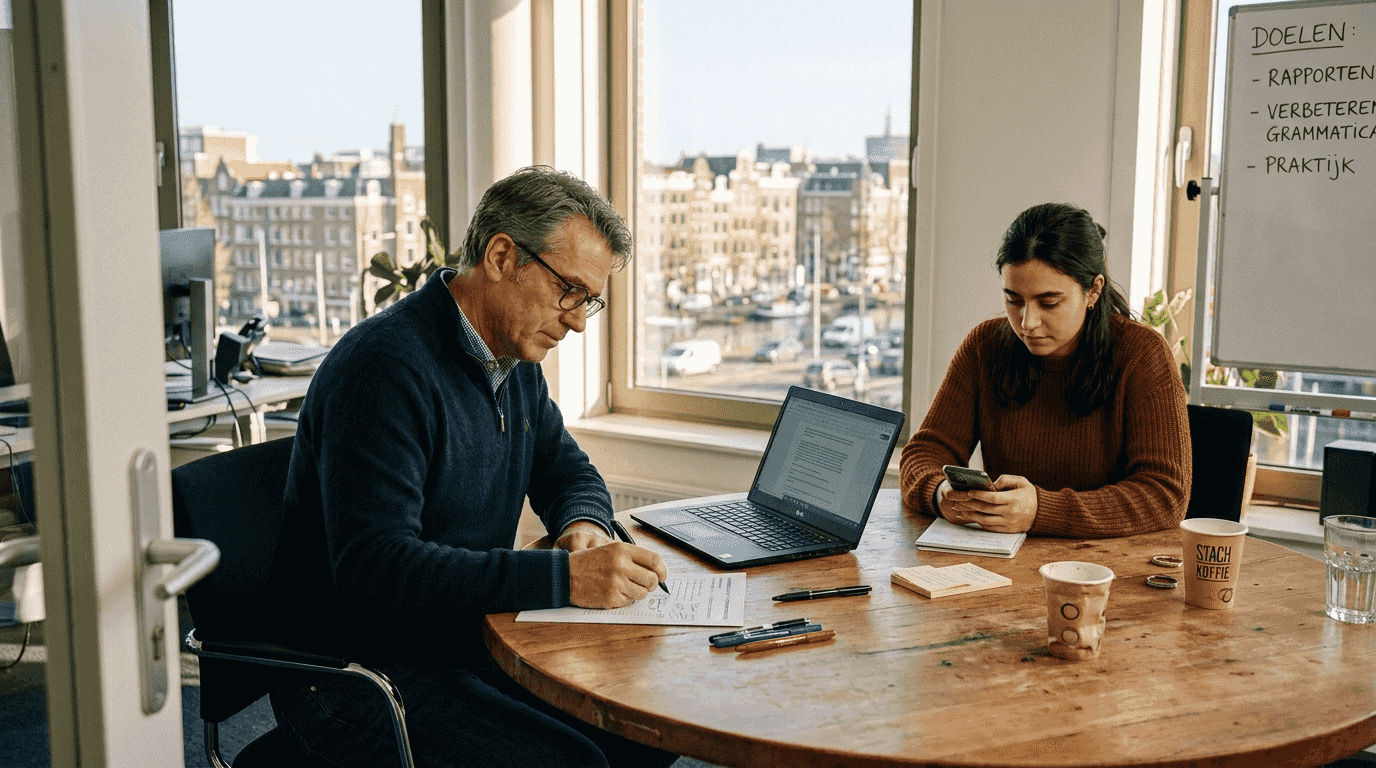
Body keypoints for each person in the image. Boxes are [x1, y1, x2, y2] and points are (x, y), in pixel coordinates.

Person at [269, 166, 677, 767]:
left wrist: (581, 525)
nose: (579, 320)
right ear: (503, 256)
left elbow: (569, 473)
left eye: (590, 299)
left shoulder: (511, 362)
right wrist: (565, 580)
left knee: (647, 728)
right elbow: (378, 574)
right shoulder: (383, 370)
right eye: (570, 291)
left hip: (461, 641)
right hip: (356, 677)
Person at [899, 202, 1190, 538]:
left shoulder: (1143, 355)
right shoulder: (985, 346)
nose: (1027, 322)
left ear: (1093, 290)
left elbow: (1165, 496)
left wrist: (1041, 510)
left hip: (1105, 569)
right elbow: (923, 453)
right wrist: (940, 494)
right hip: (1003, 563)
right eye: (1014, 300)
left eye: (1049, 302)